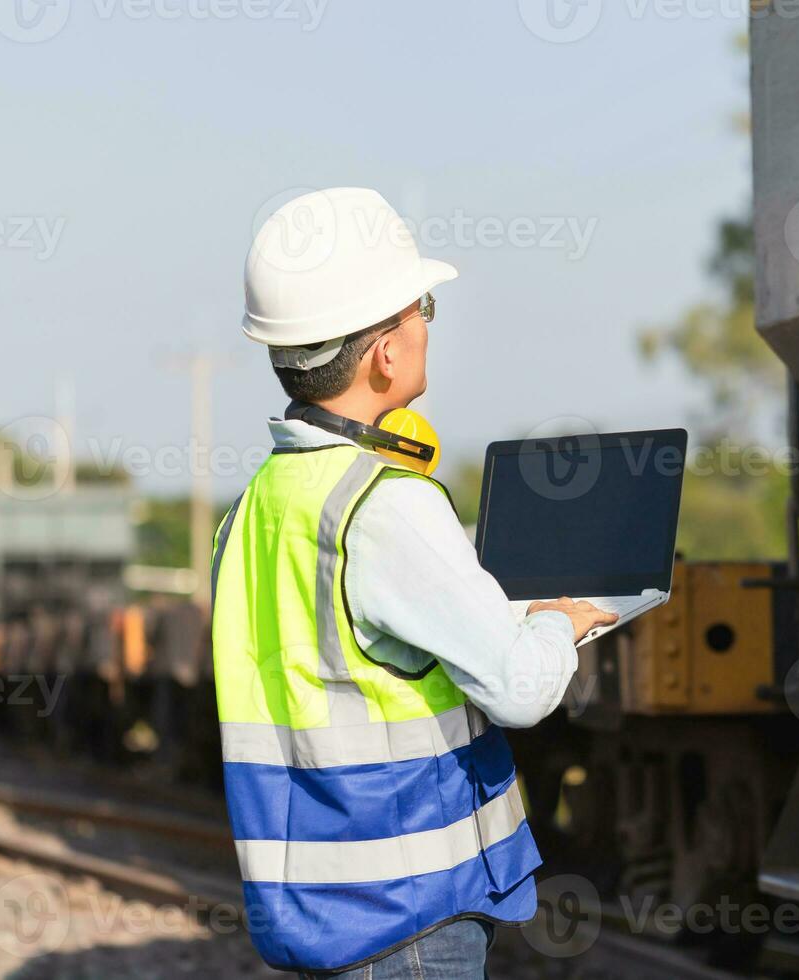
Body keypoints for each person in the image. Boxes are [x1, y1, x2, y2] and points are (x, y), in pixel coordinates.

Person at [211, 187, 617, 978]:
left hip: (319, 904)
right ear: (384, 353)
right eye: (419, 307)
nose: (427, 324)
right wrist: (558, 624)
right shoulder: (383, 501)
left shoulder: (255, 506)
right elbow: (520, 690)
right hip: (406, 920)